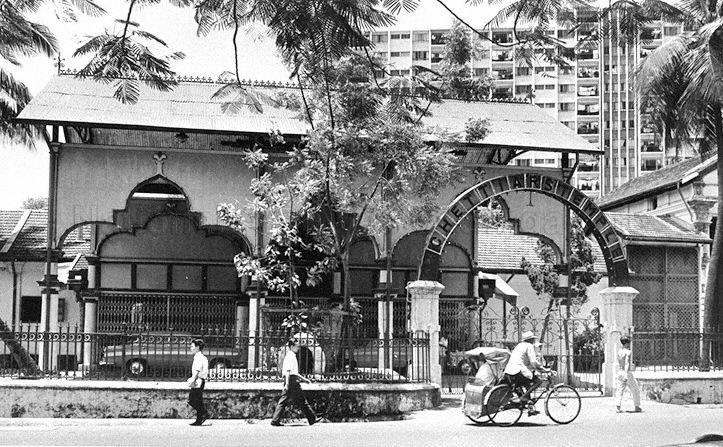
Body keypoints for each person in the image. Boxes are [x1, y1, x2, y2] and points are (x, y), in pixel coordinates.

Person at [271, 338, 319, 426]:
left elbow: (294, 372)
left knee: (286, 400)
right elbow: (288, 371)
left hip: (291, 380)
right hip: (291, 381)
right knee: (301, 401)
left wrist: (304, 379)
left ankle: (275, 420)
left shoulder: (291, 355)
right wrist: (287, 384)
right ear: (292, 346)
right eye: (297, 346)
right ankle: (312, 419)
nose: (298, 348)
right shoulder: (290, 356)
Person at [503, 331, 550, 415]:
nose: (533, 341)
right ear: (530, 340)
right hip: (518, 370)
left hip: (509, 371)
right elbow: (534, 362)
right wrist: (544, 370)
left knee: (528, 385)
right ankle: (524, 398)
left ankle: (530, 407)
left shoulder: (519, 345)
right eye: (533, 339)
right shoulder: (529, 346)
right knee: (538, 381)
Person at [616, 336, 642, 413]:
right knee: (635, 389)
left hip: (620, 372)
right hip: (626, 372)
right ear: (627, 343)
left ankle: (618, 407)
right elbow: (627, 363)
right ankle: (637, 406)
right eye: (629, 343)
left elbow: (620, 362)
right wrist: (626, 374)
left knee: (619, 390)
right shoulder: (628, 352)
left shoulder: (619, 351)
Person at [187, 338, 209, 426]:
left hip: (198, 380)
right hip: (199, 380)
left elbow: (197, 370)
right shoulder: (200, 357)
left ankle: (204, 413)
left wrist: (193, 379)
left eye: (192, 346)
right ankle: (200, 418)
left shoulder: (199, 357)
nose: (191, 348)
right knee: (198, 400)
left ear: (198, 347)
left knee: (192, 400)